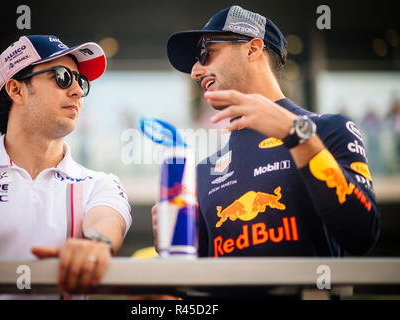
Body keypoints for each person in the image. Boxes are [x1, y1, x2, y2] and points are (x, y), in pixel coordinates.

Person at [152, 5, 380, 258]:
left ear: (253, 49)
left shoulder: (328, 129)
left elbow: (362, 234)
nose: (195, 71)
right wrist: (171, 244)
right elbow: (196, 282)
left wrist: (296, 135)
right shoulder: (202, 172)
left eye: (206, 52)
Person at [0, 35, 132, 298]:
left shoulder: (99, 183)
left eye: (80, 81)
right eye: (62, 77)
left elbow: (107, 220)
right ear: (16, 90)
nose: (78, 91)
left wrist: (97, 245)